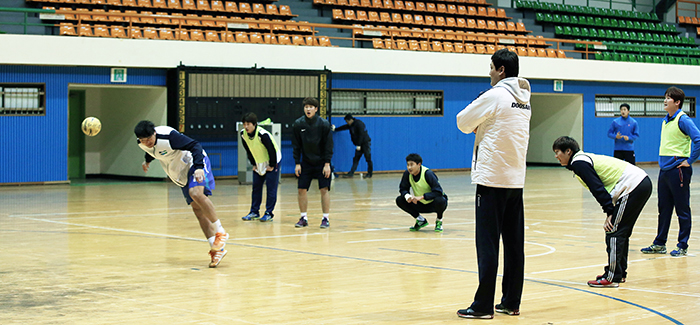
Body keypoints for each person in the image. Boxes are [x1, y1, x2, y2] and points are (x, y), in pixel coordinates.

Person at [455, 49, 531, 319]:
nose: (489, 72)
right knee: (513, 245)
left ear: (500, 70)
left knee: (487, 244)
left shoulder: (495, 94)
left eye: (491, 67)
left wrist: (479, 123)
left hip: (491, 180)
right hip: (515, 181)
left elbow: (462, 122)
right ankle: (511, 301)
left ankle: (483, 305)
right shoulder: (524, 100)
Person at [553, 136, 652, 287]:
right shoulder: (581, 160)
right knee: (621, 232)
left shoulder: (579, 162)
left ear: (568, 151)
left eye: (558, 152)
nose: (556, 156)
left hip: (633, 186)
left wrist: (610, 212)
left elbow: (597, 188)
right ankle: (618, 273)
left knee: (614, 231)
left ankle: (612, 277)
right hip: (639, 183)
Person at [134, 120, 229, 268]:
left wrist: (198, 167)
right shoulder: (142, 144)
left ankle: (220, 232)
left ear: (154, 133)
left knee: (196, 193)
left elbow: (194, 145)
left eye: (149, 139)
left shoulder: (168, 136)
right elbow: (154, 152)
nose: (147, 143)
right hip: (180, 172)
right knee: (197, 210)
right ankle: (216, 249)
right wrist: (147, 161)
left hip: (194, 163)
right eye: (143, 141)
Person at [641, 86, 700, 257]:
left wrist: (689, 161)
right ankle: (660, 243)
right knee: (664, 208)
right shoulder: (666, 120)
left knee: (682, 209)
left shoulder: (683, 120)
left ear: (677, 102)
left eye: (668, 98)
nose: (665, 100)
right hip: (664, 170)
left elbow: (698, 139)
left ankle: (683, 245)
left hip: (678, 170)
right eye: (665, 97)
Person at [292, 97, 334, 228]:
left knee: (324, 189)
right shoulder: (298, 124)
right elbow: (296, 145)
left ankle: (325, 218)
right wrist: (297, 163)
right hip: (306, 162)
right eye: (306, 107)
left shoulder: (323, 124)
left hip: (321, 162)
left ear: (316, 109)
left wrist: (327, 164)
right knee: (301, 189)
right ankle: (303, 217)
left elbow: (328, 145)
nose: (308, 109)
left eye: (311, 107)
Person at [239, 112, 281, 222]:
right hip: (258, 162)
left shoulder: (262, 134)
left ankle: (269, 213)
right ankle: (254, 212)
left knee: (271, 188)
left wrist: (272, 165)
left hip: (273, 160)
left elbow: (271, 150)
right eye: (244, 124)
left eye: (248, 124)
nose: (246, 127)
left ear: (255, 124)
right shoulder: (243, 134)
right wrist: (254, 164)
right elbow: (248, 150)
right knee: (256, 187)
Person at [395, 153, 448, 232]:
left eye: (412, 165)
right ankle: (420, 220)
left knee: (441, 200)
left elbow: (438, 192)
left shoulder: (428, 174)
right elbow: (403, 189)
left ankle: (439, 220)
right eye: (408, 165)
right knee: (400, 200)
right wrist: (407, 196)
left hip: (433, 203)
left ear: (419, 164)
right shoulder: (407, 174)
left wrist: (422, 197)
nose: (409, 167)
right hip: (419, 203)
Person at [335, 114, 373, 178]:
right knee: (356, 159)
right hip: (359, 144)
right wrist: (335, 129)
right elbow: (344, 127)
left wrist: (359, 145)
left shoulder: (359, 124)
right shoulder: (351, 125)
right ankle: (351, 173)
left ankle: (370, 173)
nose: (347, 123)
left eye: (347, 121)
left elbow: (361, 135)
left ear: (350, 120)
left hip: (365, 144)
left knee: (368, 159)